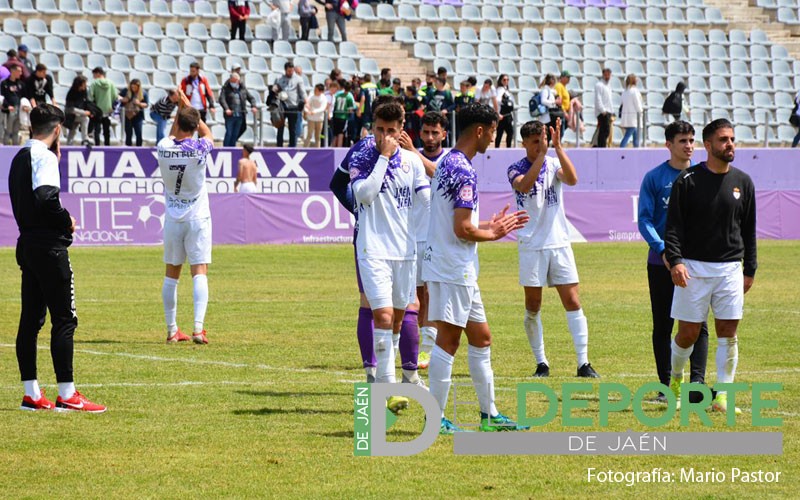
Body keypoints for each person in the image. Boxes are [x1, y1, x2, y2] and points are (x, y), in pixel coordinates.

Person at [423, 103, 530, 434]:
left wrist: (487, 223)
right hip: (454, 267)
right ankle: (435, 419)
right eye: (494, 131)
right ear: (480, 130)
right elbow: (463, 230)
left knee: (482, 338)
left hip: (455, 265)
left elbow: (461, 222)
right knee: (448, 341)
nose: (494, 138)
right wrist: (492, 233)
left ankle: (489, 415)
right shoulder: (463, 170)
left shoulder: (448, 162)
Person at [8, 104, 106, 413]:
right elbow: (47, 198)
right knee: (65, 318)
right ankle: (67, 393)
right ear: (58, 129)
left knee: (31, 321)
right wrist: (67, 221)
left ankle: (32, 394)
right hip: (50, 247)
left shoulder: (19, 157)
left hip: (27, 243)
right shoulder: (45, 157)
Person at [665, 118, 757, 414]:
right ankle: (676, 382)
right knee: (688, 333)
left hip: (730, 269)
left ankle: (723, 396)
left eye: (732, 139)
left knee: (728, 333)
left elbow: (749, 230)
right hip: (693, 269)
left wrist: (750, 269)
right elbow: (674, 227)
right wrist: (676, 261)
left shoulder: (743, 182)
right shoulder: (687, 181)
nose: (729, 144)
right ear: (708, 145)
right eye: (723, 140)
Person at [349, 99, 430, 400]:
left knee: (398, 319)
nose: (385, 136)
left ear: (401, 130)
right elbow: (365, 195)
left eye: (391, 131)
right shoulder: (363, 154)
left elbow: (427, 202)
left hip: (405, 252)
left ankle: (392, 379)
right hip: (372, 249)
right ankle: (386, 390)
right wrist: (383, 157)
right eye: (380, 130)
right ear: (372, 127)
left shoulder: (412, 161)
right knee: (381, 316)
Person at [508, 119, 600, 380]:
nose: (540, 146)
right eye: (535, 142)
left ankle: (583, 363)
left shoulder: (554, 162)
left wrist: (558, 148)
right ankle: (542, 363)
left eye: (542, 141)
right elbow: (524, 185)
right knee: (533, 306)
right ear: (524, 143)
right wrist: (542, 156)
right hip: (531, 245)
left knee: (572, 301)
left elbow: (572, 179)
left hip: (559, 242)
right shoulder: (514, 168)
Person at [638, 120, 709, 403]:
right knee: (664, 325)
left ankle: (697, 386)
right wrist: (664, 250)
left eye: (692, 140)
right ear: (669, 145)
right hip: (661, 263)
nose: (689, 146)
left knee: (698, 323)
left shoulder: (704, 177)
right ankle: (667, 387)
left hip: (696, 264)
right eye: (683, 141)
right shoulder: (654, 178)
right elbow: (644, 220)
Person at [157, 91, 215, 345]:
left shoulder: (163, 147)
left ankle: (172, 330)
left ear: (178, 123)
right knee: (199, 271)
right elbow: (208, 134)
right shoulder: (199, 148)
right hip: (197, 217)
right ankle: (198, 329)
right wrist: (189, 106)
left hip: (173, 217)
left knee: (172, 274)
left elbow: (171, 134)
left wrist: (181, 109)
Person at [399, 110, 448, 370]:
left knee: (429, 294)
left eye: (434, 132)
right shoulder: (407, 157)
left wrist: (414, 153)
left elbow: (440, 176)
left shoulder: (450, 158)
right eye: (426, 132)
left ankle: (428, 348)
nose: (430, 137)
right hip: (410, 235)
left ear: (444, 134)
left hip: (435, 238)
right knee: (414, 295)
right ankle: (416, 346)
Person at [219, 72, 258, 147]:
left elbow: (251, 98)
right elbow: (222, 99)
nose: (233, 83)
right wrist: (226, 109)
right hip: (230, 116)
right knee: (229, 133)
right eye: (232, 81)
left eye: (235, 81)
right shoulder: (226, 88)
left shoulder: (242, 89)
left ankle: (232, 148)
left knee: (235, 134)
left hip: (240, 115)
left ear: (238, 81)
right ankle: (226, 148)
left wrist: (253, 106)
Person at [275, 62, 307, 148]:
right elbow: (274, 90)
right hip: (281, 105)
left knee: (292, 128)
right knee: (280, 127)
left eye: (292, 71)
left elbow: (302, 92)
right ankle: (279, 146)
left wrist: (305, 101)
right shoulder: (279, 79)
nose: (291, 73)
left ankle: (292, 146)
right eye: (289, 71)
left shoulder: (298, 79)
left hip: (293, 106)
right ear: (285, 70)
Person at [88, 67, 118, 146]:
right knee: (106, 130)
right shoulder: (111, 83)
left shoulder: (94, 83)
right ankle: (107, 145)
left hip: (97, 110)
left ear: (98, 73)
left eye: (94, 74)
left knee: (97, 130)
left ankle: (97, 146)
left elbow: (90, 97)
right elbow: (115, 95)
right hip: (108, 110)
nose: (93, 76)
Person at [120, 79, 149, 147]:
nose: (133, 89)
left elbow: (146, 104)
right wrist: (124, 99)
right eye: (132, 87)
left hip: (138, 115)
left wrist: (139, 103)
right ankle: (128, 148)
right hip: (127, 115)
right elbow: (118, 97)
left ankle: (139, 149)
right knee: (128, 133)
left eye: (135, 87)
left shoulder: (143, 93)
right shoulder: (125, 91)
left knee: (138, 133)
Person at [64, 75, 92, 146]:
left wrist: (90, 111)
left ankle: (72, 143)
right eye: (84, 83)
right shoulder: (71, 93)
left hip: (79, 114)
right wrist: (84, 112)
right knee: (85, 119)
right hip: (71, 115)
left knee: (73, 130)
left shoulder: (84, 91)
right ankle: (84, 139)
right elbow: (70, 109)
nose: (85, 85)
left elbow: (86, 103)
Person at [1, 65, 25, 145]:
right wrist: (7, 106)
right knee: (8, 130)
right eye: (19, 71)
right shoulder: (5, 83)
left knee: (16, 131)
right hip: (9, 110)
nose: (21, 73)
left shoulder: (20, 84)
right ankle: (5, 148)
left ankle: (15, 148)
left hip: (19, 109)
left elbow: (24, 96)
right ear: (13, 71)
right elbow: (2, 96)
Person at [619, 74, 643, 148]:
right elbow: (637, 104)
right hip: (634, 118)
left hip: (627, 117)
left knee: (636, 137)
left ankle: (637, 150)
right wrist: (641, 112)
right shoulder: (634, 91)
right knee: (627, 136)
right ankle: (620, 150)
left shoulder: (625, 92)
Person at [331, 79, 356, 147]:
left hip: (336, 116)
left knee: (335, 134)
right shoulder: (349, 96)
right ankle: (339, 148)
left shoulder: (338, 95)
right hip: (343, 117)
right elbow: (350, 109)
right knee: (341, 134)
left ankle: (332, 147)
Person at [594, 68, 613, 148]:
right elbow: (598, 99)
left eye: (609, 74)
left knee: (606, 131)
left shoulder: (608, 86)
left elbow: (609, 100)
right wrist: (603, 110)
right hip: (603, 112)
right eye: (606, 74)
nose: (607, 76)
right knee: (604, 131)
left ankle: (602, 146)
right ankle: (601, 146)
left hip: (608, 111)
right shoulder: (599, 85)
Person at [495, 74, 514, 148]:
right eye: (504, 80)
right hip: (502, 114)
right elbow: (497, 100)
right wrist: (504, 101)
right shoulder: (500, 89)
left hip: (508, 114)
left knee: (510, 132)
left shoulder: (506, 90)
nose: (506, 81)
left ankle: (508, 148)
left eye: (507, 80)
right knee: (500, 133)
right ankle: (497, 148)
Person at [554, 70, 571, 136]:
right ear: (562, 77)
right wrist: (564, 112)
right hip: (560, 112)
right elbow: (559, 100)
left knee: (561, 131)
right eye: (567, 77)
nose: (569, 79)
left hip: (564, 112)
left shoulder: (564, 87)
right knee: (560, 132)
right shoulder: (559, 86)